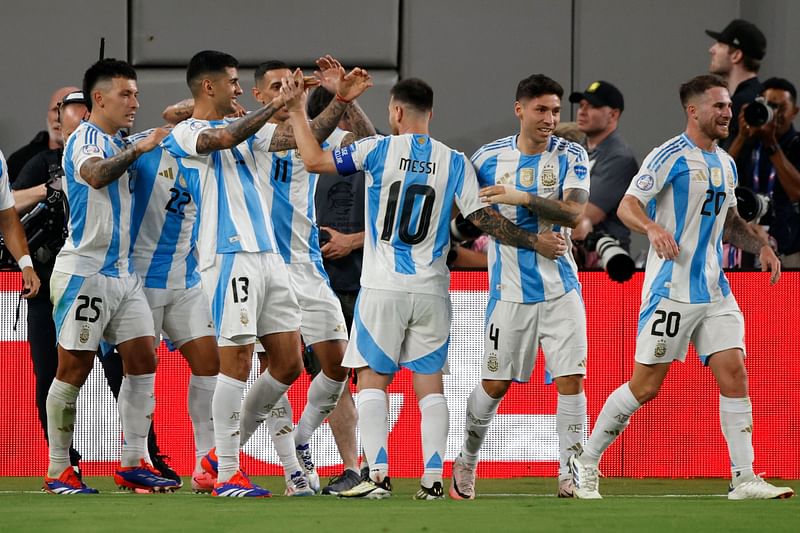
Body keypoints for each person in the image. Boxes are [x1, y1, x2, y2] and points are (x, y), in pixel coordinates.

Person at [284, 73, 552, 500]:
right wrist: (533, 240)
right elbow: (484, 220)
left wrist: (299, 112)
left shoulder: (377, 149)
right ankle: (431, 480)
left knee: (373, 380)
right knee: (430, 385)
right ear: (431, 113)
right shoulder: (455, 160)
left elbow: (314, 160)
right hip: (432, 290)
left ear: (395, 112)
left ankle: (378, 476)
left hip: (382, 286)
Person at [568, 74, 795, 501]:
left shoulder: (725, 163)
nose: (728, 112)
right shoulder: (669, 155)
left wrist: (760, 246)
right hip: (670, 289)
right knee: (645, 387)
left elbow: (728, 222)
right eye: (719, 106)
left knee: (735, 373)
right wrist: (653, 228)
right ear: (694, 111)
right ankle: (586, 460)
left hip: (714, 290)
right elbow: (627, 205)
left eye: (728, 105)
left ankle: (744, 477)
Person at [161, 50, 372, 497]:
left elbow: (300, 138)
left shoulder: (253, 134)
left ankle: (226, 454)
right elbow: (219, 138)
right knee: (236, 363)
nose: (237, 89)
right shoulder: (188, 132)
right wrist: (279, 104)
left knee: (290, 363)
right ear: (210, 86)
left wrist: (338, 102)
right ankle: (227, 473)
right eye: (233, 83)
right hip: (228, 254)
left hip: (269, 258)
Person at [12, 91, 179, 485]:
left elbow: (178, 120)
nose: (135, 102)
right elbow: (95, 174)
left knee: (142, 363)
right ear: (99, 99)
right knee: (72, 369)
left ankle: (134, 462)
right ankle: (59, 467)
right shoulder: (86, 139)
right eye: (126, 94)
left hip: (124, 274)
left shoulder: (121, 139)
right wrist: (140, 147)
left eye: (137, 93)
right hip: (85, 272)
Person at [236, 58, 375, 497]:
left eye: (289, 84)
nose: (285, 91)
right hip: (264, 267)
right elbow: (301, 135)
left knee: (337, 366)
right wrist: (333, 100)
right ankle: (274, 466)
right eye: (275, 86)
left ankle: (298, 441)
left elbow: (373, 144)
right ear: (259, 95)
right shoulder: (253, 131)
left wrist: (345, 99)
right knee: (278, 367)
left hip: (309, 267)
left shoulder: (308, 126)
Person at [452, 74, 589, 500]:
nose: (550, 119)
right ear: (520, 110)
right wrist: (530, 240)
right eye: (541, 110)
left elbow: (573, 214)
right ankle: (466, 461)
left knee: (571, 379)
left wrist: (522, 198)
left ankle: (570, 472)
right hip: (509, 293)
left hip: (561, 289)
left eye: (554, 110)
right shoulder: (487, 158)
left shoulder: (572, 154)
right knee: (495, 385)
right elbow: (476, 217)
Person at [727, 77, 800, 267]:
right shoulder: (749, 143)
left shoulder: (796, 145)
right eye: (769, 106)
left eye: (780, 107)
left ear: (795, 112)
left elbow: (797, 193)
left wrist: (771, 143)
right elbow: (720, 177)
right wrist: (741, 137)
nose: (774, 114)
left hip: (790, 251)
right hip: (749, 247)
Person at [569, 81, 638, 262]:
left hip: (604, 260)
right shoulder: (577, 150)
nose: (582, 111)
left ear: (613, 114)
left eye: (592, 106)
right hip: (575, 254)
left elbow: (585, 214)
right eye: (581, 105)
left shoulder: (619, 157)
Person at [707, 19, 767, 149]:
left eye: (720, 45)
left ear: (736, 55)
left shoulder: (740, 106)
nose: (712, 49)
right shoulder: (760, 96)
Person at [6, 86, 79, 183]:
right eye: (55, 109)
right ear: (47, 115)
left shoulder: (98, 154)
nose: (58, 117)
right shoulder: (20, 160)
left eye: (68, 111)